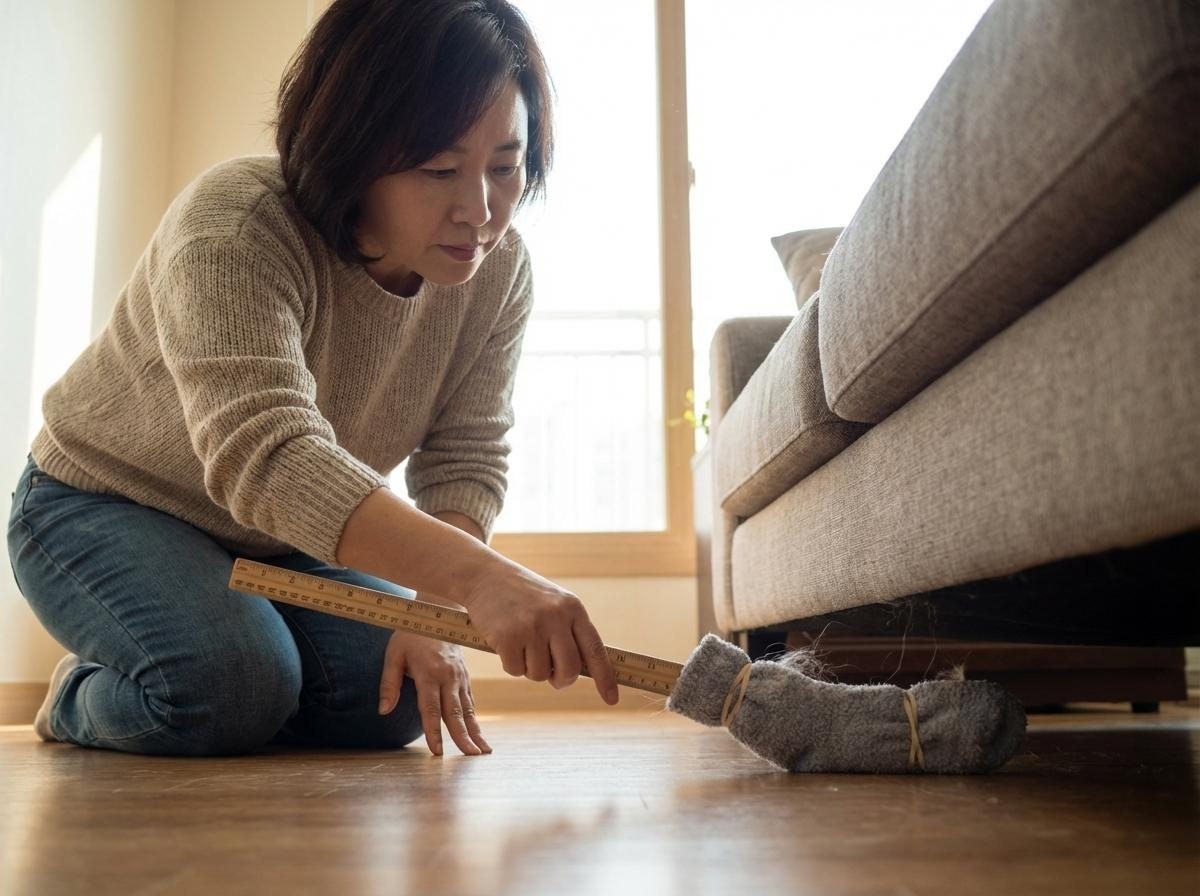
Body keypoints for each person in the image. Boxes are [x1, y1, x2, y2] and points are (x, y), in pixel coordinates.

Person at [5, 0, 619, 759]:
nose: (480, 211)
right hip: (101, 504)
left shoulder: (500, 272)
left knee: (393, 699)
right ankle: (82, 697)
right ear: (355, 147)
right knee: (234, 684)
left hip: (281, 538)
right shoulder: (236, 224)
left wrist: (435, 609)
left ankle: (226, 668)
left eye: (505, 165)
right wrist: (486, 584)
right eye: (439, 170)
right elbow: (268, 458)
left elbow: (464, 457)